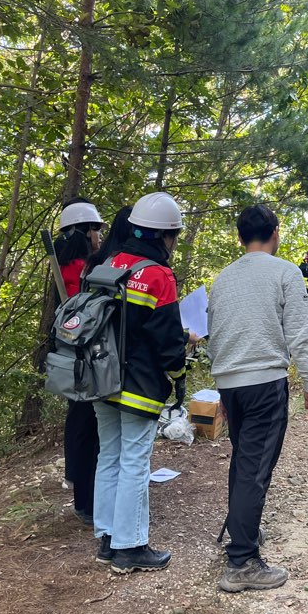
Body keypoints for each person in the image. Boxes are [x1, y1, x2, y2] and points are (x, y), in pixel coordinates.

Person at [207, 204, 308, 593]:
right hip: (264, 382)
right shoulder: (285, 272)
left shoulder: (223, 279)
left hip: (232, 383)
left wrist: (222, 385)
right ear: (275, 232)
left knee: (244, 459)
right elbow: (301, 334)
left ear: (240, 237)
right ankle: (241, 562)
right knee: (255, 469)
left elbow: (216, 332)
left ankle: (245, 533)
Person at [92, 191, 197, 574]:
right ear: (165, 236)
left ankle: (106, 539)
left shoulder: (112, 264)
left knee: (111, 457)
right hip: (138, 385)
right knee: (136, 461)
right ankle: (131, 545)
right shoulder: (157, 275)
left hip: (100, 380)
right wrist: (179, 375)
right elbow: (167, 340)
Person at [54, 198, 104, 525]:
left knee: (79, 422)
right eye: (96, 229)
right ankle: (88, 501)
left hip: (67, 354)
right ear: (85, 231)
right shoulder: (86, 270)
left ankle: (82, 497)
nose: (99, 236)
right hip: (87, 355)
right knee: (89, 426)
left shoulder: (63, 265)